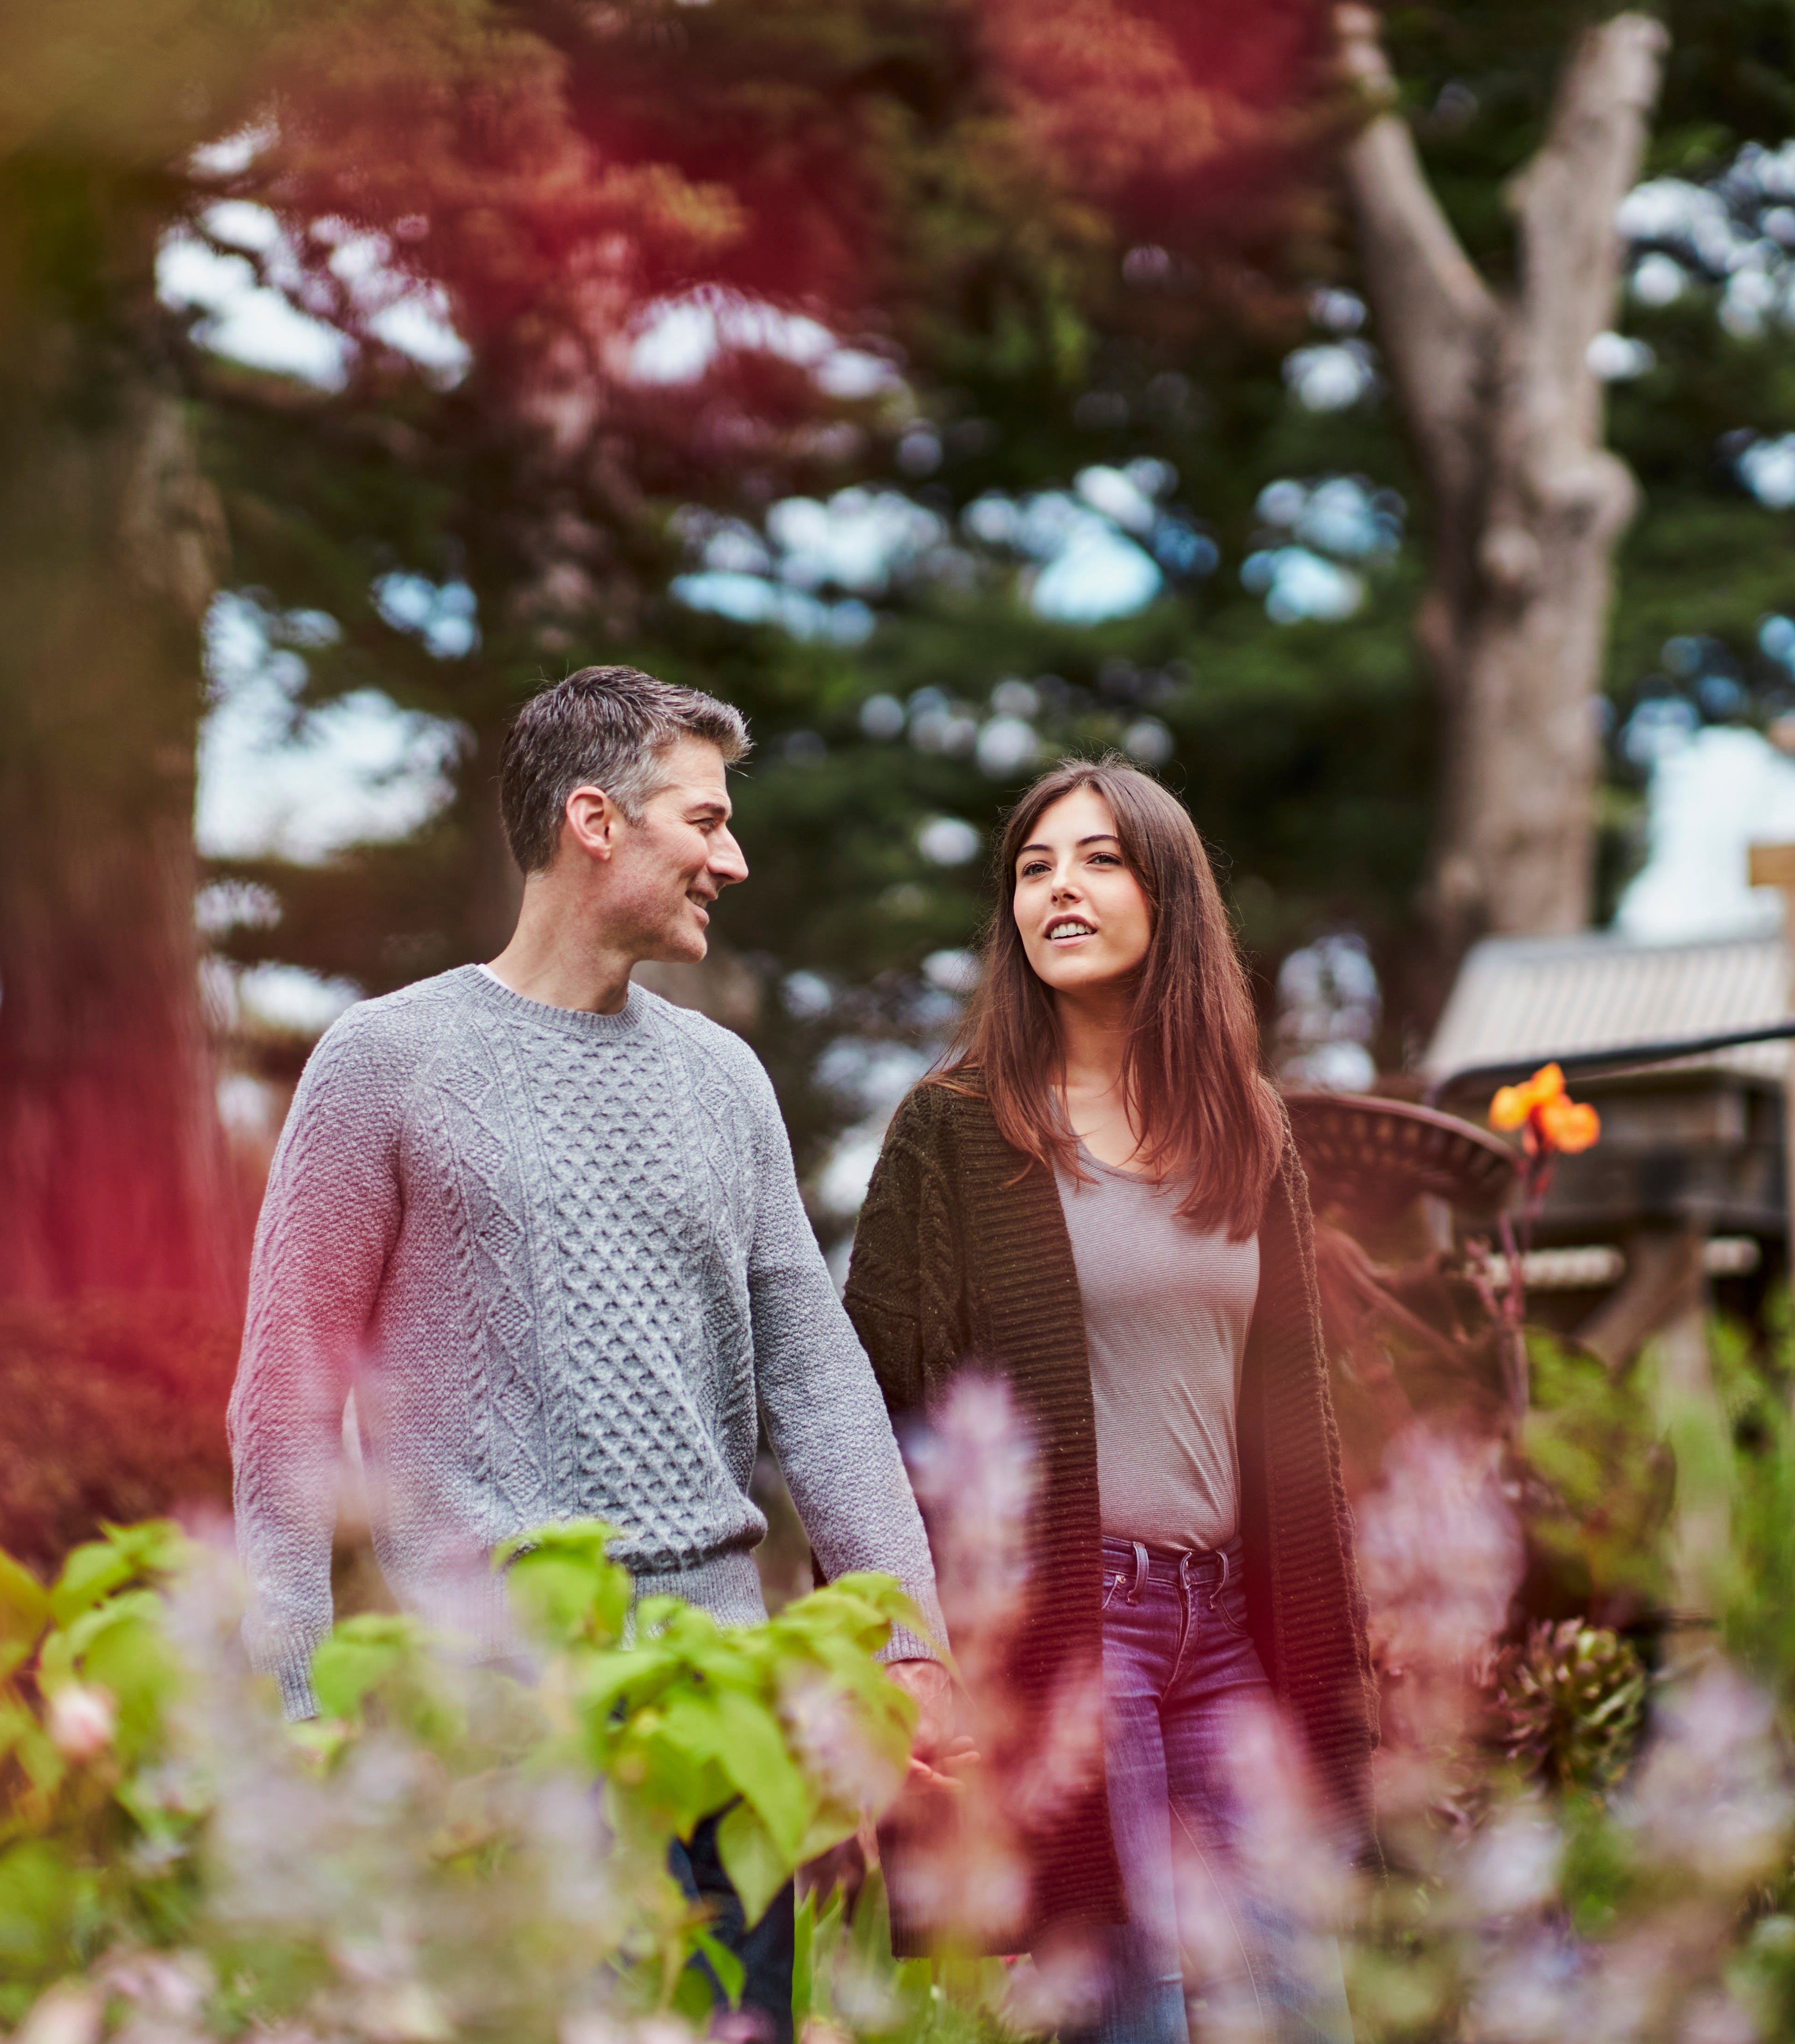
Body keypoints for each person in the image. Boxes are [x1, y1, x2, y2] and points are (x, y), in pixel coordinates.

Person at [227, 665, 955, 2044]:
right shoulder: (384, 1062)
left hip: (727, 1723)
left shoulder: (727, 1082)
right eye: (707, 821)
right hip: (506, 1727)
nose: (731, 859)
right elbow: (285, 1409)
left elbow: (819, 1377)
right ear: (594, 820)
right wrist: (297, 1701)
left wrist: (908, 1637)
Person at [844, 759, 1373, 2044]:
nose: (1058, 890)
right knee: (1133, 2009)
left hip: (1233, 1626)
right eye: (1034, 868)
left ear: (1168, 898)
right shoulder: (956, 1131)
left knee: (1297, 1997)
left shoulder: (1252, 1131)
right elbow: (868, 1410)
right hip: (1081, 1631)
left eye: (1096, 860)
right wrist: (901, 1653)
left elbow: (1298, 1423)